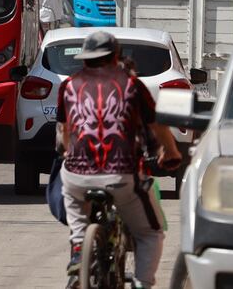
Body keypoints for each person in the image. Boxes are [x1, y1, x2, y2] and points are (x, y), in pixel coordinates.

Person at [57, 30, 182, 289]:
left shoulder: (68, 85)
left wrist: (69, 153)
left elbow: (63, 133)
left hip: (76, 175)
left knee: (76, 212)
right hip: (122, 175)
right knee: (150, 233)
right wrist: (171, 153)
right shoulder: (132, 85)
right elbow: (157, 126)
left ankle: (80, 248)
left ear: (85, 59)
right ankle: (142, 284)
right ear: (116, 57)